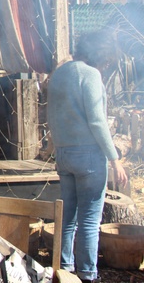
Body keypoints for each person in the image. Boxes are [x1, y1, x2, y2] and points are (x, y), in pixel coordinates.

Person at [47, 30, 128, 283]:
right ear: (100, 55)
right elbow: (97, 121)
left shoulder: (59, 74)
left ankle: (65, 270)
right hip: (89, 157)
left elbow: (50, 115)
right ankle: (88, 275)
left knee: (68, 217)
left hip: (63, 154)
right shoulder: (91, 75)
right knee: (90, 221)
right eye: (106, 60)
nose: (105, 65)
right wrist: (114, 158)